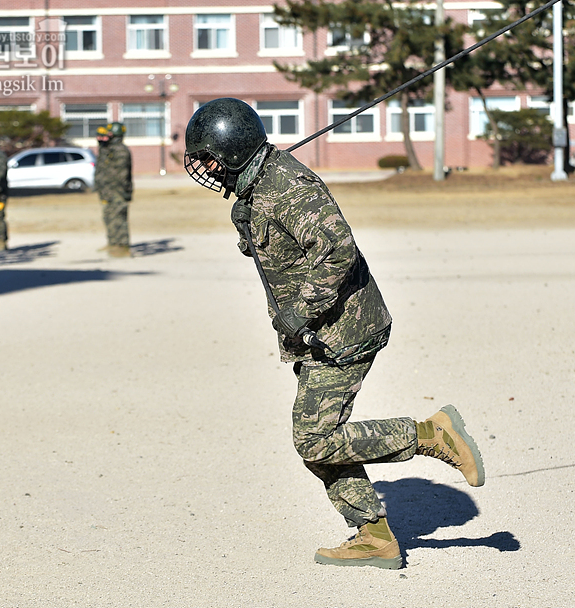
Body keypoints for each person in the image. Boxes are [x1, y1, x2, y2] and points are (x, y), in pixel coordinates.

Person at [183, 98, 485, 570]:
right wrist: (246, 226)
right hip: (316, 335)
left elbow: (337, 251)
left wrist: (302, 310)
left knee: (314, 439)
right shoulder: (256, 187)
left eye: (207, 157)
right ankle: (373, 534)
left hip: (343, 329)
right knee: (318, 436)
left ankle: (432, 434)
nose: (202, 167)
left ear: (234, 152)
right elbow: (279, 246)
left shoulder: (289, 189)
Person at [94, 122, 133, 257]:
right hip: (109, 190)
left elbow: (120, 174)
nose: (106, 136)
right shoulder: (109, 149)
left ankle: (122, 247)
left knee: (119, 218)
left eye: (109, 133)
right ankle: (113, 243)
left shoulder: (120, 150)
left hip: (117, 191)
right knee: (109, 216)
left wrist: (121, 191)